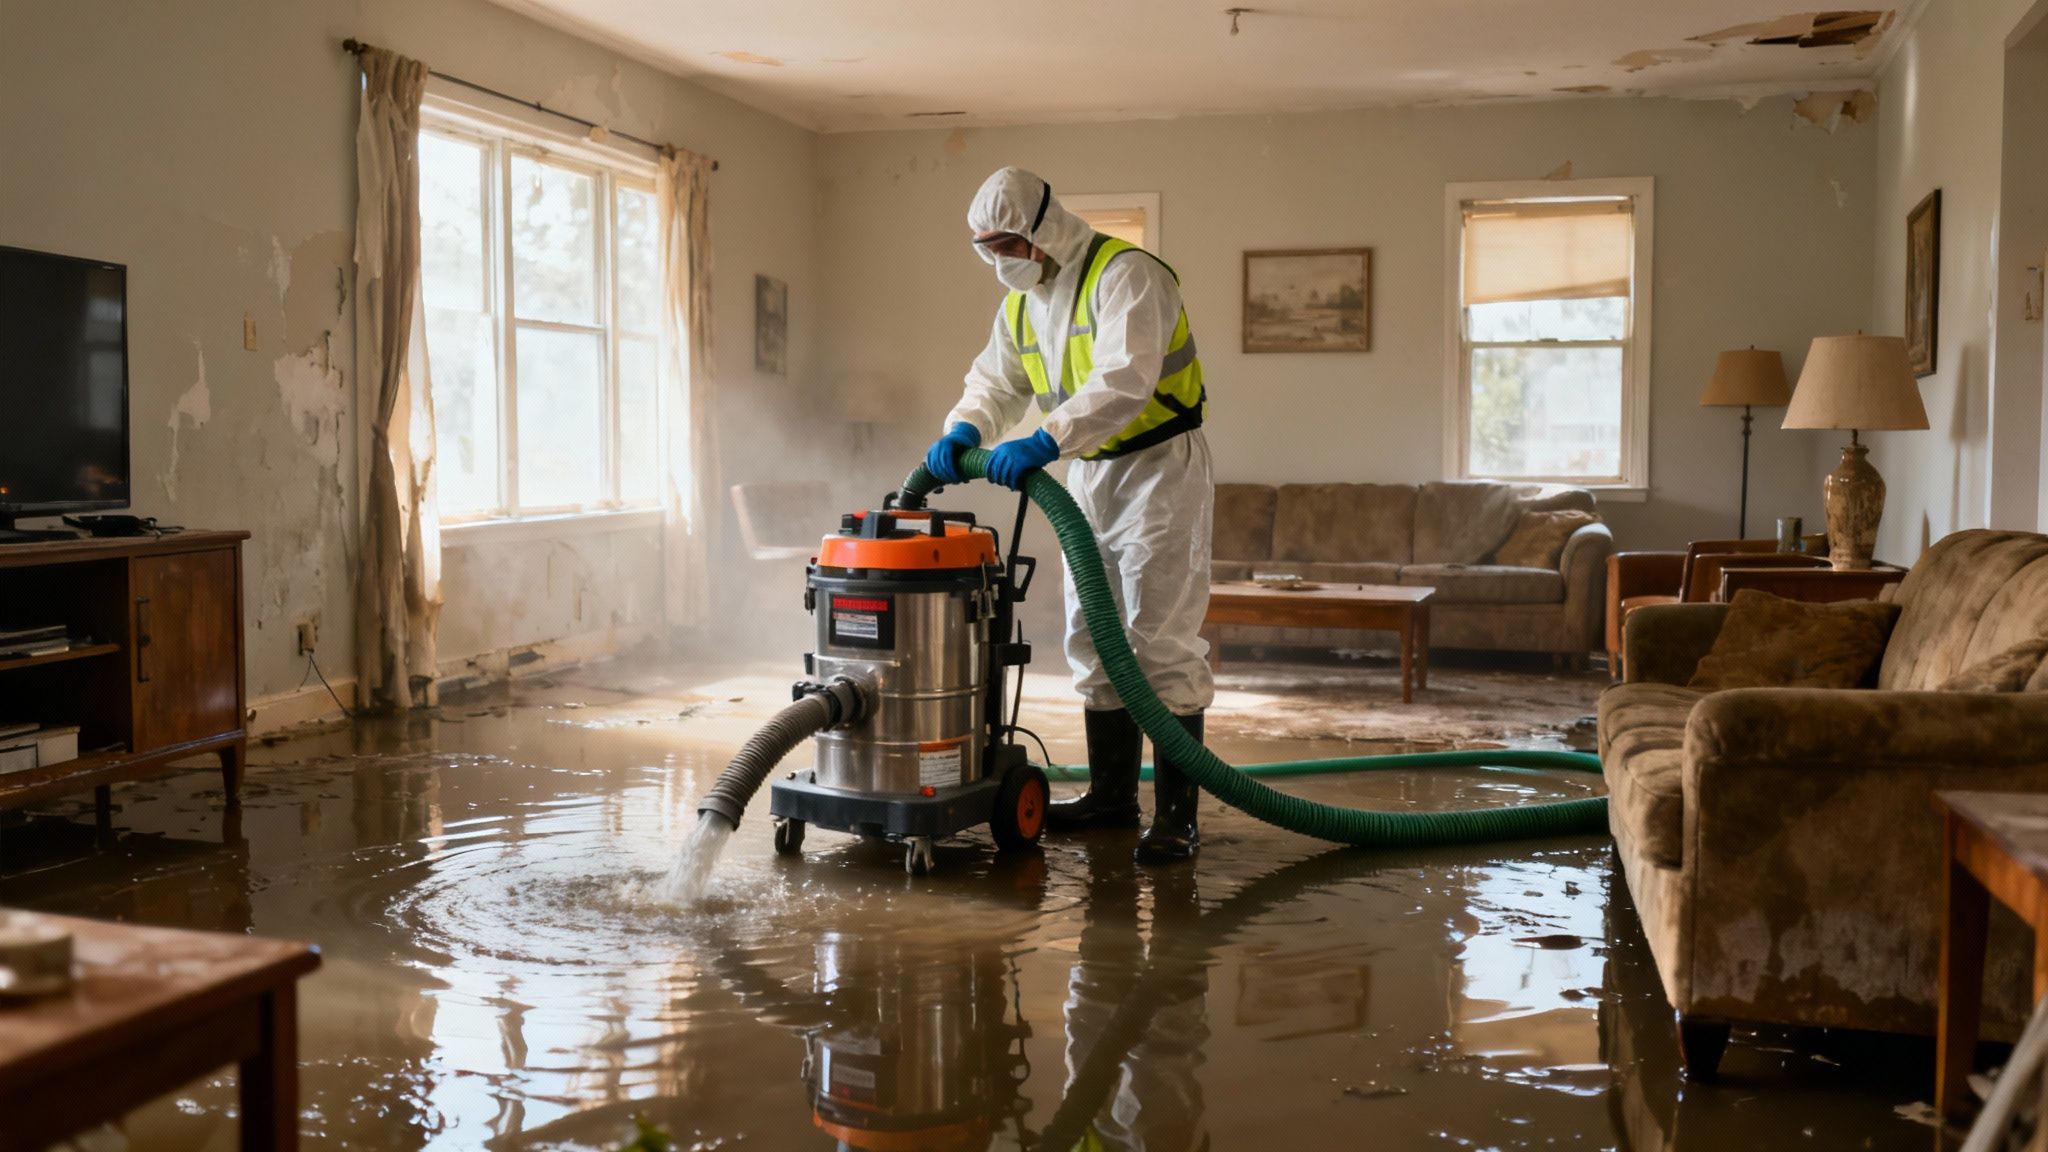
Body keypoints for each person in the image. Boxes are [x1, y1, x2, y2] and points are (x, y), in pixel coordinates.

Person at [925, 166, 1214, 864]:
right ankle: (1114, 797)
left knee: (1159, 639)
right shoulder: (1024, 306)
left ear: (1045, 229)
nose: (1003, 261)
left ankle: (1178, 818)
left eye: (1011, 244)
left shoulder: (1128, 275)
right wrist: (966, 427)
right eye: (989, 249)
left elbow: (1125, 379)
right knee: (1093, 636)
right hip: (1089, 474)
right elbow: (994, 381)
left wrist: (1043, 439)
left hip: (1157, 471)